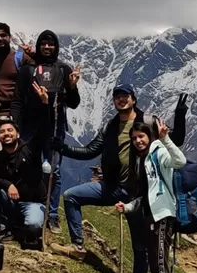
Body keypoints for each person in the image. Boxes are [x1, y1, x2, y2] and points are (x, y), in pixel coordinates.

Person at [56, 86, 189, 257]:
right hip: (112, 187)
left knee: (140, 248)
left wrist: (180, 115)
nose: (121, 99)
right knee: (70, 196)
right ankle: (77, 247)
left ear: (133, 99)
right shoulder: (110, 127)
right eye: (117, 96)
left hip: (139, 194)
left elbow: (176, 140)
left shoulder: (148, 123)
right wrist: (62, 148)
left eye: (125, 95)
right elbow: (90, 151)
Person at [116, 117, 186, 273]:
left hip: (162, 215)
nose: (138, 141)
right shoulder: (142, 160)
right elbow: (145, 195)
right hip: (151, 216)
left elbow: (180, 161)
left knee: (160, 266)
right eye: (134, 138)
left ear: (150, 136)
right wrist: (127, 207)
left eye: (141, 136)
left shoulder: (158, 152)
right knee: (157, 265)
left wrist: (166, 139)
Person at [10, 30, 80, 229]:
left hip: (54, 127)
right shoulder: (27, 70)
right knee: (24, 166)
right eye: (44, 44)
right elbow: (17, 100)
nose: (47, 47)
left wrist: (73, 87)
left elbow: (73, 103)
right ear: (39, 46)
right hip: (28, 127)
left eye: (51, 44)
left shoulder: (64, 69)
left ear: (56, 47)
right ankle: (22, 209)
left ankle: (52, 214)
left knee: (53, 171)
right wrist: (15, 124)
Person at [0, 117, 46, 245]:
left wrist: (45, 105)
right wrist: (8, 184)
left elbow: (43, 131)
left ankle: (25, 229)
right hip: (10, 202)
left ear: (18, 134)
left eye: (10, 130)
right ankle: (4, 227)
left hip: (32, 202)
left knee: (33, 225)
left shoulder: (30, 150)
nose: (6, 133)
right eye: (2, 132)